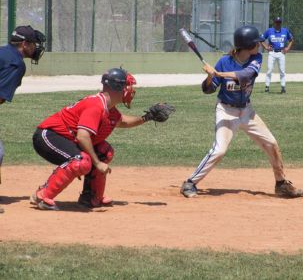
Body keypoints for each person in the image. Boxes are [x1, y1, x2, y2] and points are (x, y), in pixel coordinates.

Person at [180, 25, 303, 199]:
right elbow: (208, 90)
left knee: (271, 143)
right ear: (247, 45)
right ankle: (190, 183)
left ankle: (281, 184)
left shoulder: (256, 58)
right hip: (226, 111)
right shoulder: (224, 62)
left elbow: (245, 75)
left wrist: (219, 74)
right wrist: (210, 76)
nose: (260, 45)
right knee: (219, 150)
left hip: (247, 111)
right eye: (257, 43)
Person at [30, 68, 174, 211]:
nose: (130, 91)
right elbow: (83, 136)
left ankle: (91, 198)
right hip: (49, 136)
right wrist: (97, 163)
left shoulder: (109, 109)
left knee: (104, 152)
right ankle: (43, 195)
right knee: (80, 161)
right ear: (117, 87)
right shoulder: (96, 106)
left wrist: (146, 117)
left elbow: (123, 121)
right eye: (127, 86)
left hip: (68, 138)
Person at [0, 25, 46, 214]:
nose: (36, 48)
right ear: (25, 44)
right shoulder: (16, 63)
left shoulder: (3, 52)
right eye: (34, 44)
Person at [261, 17, 294, 94]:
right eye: (276, 22)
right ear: (274, 23)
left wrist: (287, 48)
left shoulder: (285, 31)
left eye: (279, 22)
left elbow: (291, 40)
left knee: (282, 71)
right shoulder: (269, 31)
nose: (278, 24)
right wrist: (266, 47)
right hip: (272, 53)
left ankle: (283, 88)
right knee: (269, 70)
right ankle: (267, 87)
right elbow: (261, 39)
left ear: (281, 23)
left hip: (281, 53)